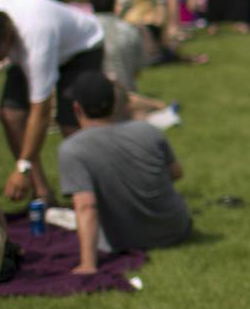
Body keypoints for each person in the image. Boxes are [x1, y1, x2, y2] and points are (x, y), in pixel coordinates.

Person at [0, 0, 110, 203]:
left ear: (8, 35)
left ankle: (97, 193)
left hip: (81, 48)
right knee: (10, 115)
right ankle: (43, 195)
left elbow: (41, 111)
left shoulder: (35, 37)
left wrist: (23, 167)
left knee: (71, 125)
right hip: (36, 44)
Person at [57, 69, 192, 275]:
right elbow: (176, 173)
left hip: (122, 241)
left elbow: (86, 207)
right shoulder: (148, 130)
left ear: (77, 109)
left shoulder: (73, 149)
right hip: (175, 230)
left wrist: (88, 264)